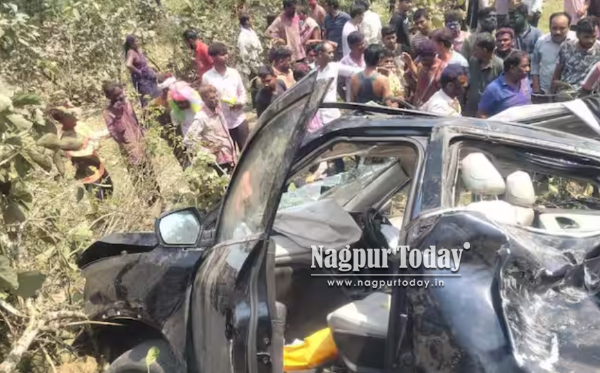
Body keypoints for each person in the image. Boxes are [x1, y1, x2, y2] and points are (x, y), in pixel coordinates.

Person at [102, 81, 161, 206]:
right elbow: (116, 135)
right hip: (129, 149)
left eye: (121, 93)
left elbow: (136, 122)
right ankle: (147, 202)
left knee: (149, 172)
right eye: (116, 95)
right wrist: (117, 116)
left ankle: (159, 199)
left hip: (140, 143)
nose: (120, 97)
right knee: (139, 176)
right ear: (109, 97)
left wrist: (145, 139)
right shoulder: (108, 113)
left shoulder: (127, 104)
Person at [48, 104, 113, 200]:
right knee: (101, 191)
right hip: (88, 164)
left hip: (87, 163)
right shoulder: (72, 131)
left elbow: (91, 136)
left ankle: (106, 205)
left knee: (102, 188)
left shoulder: (70, 128)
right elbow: (92, 138)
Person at [202, 42, 250, 151]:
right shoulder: (207, 77)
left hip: (239, 118)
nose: (226, 56)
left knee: (247, 150)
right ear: (213, 57)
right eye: (222, 54)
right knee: (228, 153)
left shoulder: (234, 73)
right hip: (221, 123)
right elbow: (206, 100)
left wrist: (239, 103)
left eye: (226, 54)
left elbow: (242, 92)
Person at [185, 84, 238, 175]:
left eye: (216, 96)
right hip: (219, 162)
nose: (215, 100)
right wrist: (206, 151)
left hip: (230, 155)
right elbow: (188, 140)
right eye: (211, 98)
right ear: (204, 99)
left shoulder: (218, 109)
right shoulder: (201, 117)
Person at [314, 41, 363, 124]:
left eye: (332, 52)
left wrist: (372, 70)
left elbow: (354, 71)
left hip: (332, 116)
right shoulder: (312, 72)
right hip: (316, 118)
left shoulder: (334, 67)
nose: (332, 55)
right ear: (320, 54)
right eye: (329, 53)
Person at [552, 16, 600, 93]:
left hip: (591, 96)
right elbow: (557, 72)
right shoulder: (566, 47)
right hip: (567, 93)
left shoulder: (598, 49)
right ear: (578, 35)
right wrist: (552, 94)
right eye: (586, 37)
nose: (590, 40)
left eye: (593, 37)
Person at [148, 73, 187, 168]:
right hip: (177, 140)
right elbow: (160, 127)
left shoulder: (183, 95)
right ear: (165, 89)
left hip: (191, 135)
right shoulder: (157, 104)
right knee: (186, 163)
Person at [477, 50, 531, 118]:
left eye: (528, 65)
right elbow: (481, 114)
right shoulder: (493, 89)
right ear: (512, 68)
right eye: (524, 66)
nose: (528, 69)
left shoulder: (525, 81)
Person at [531, 12, 575, 95]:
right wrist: (536, 87)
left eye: (562, 28)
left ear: (569, 27)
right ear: (549, 27)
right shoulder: (541, 42)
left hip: (569, 93)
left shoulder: (576, 41)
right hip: (545, 91)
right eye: (554, 28)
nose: (558, 32)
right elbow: (535, 64)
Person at [465, 33, 503, 116]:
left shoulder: (500, 66)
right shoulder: (473, 61)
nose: (473, 52)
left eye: (476, 49)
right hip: (471, 111)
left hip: (489, 113)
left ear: (484, 50)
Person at [403, 40, 444, 106]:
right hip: (418, 107)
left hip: (434, 109)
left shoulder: (442, 69)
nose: (422, 61)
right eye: (421, 58)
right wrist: (410, 63)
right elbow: (419, 78)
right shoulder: (421, 65)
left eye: (425, 59)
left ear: (434, 55)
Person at [123, 35, 159, 108]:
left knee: (155, 96)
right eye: (136, 41)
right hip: (142, 80)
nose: (138, 43)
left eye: (138, 41)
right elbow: (128, 64)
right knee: (147, 99)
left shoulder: (138, 50)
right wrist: (138, 71)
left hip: (148, 76)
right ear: (131, 43)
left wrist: (150, 68)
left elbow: (142, 64)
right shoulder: (131, 52)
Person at [293, 63, 324, 132]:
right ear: (299, 79)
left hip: (317, 124)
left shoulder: (310, 88)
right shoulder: (296, 93)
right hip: (306, 128)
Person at [340, 31, 367, 101]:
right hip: (352, 101)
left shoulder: (368, 57)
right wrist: (345, 98)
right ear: (351, 46)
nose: (363, 46)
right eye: (359, 45)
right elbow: (339, 83)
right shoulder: (344, 62)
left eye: (363, 43)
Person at [238, 14, 264, 82]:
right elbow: (244, 53)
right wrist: (250, 66)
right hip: (251, 66)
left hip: (258, 62)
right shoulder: (243, 36)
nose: (252, 21)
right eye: (251, 19)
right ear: (247, 21)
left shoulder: (252, 32)